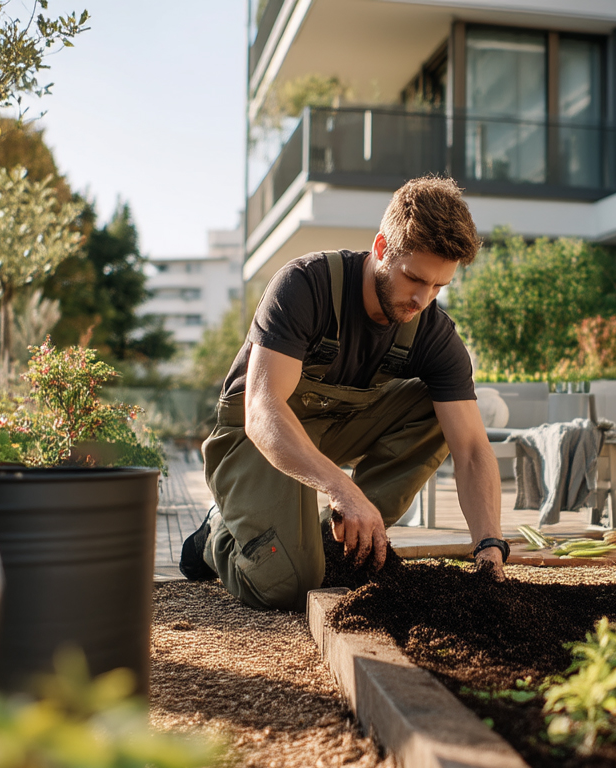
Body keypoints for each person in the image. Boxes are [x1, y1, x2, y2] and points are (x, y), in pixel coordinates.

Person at [179, 176, 507, 610]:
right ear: (381, 248)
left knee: (445, 409)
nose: (422, 299)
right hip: (253, 440)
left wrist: (489, 546)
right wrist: (344, 490)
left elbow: (470, 449)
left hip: (330, 434)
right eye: (414, 279)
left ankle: (338, 541)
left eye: (438, 287)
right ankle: (218, 532)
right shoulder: (304, 286)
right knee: (289, 587)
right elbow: (261, 410)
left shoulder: (433, 334)